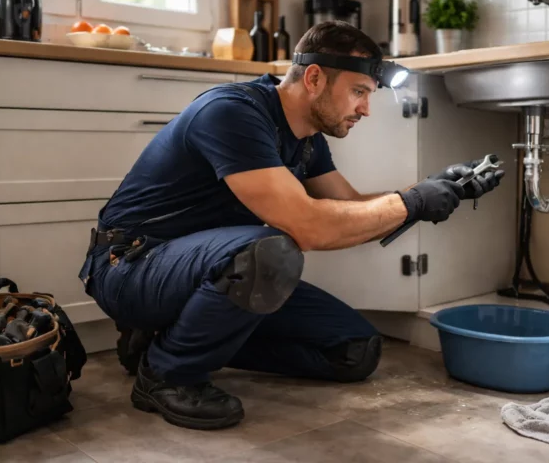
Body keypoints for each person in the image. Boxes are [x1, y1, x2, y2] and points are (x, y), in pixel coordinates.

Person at [77, 21, 504, 431]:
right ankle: (166, 374)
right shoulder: (232, 112)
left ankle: (161, 341)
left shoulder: (306, 137)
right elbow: (310, 228)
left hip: (201, 271)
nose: (366, 109)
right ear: (315, 78)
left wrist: (437, 188)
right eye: (358, 92)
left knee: (354, 351)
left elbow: (351, 207)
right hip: (131, 265)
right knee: (271, 251)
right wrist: (411, 203)